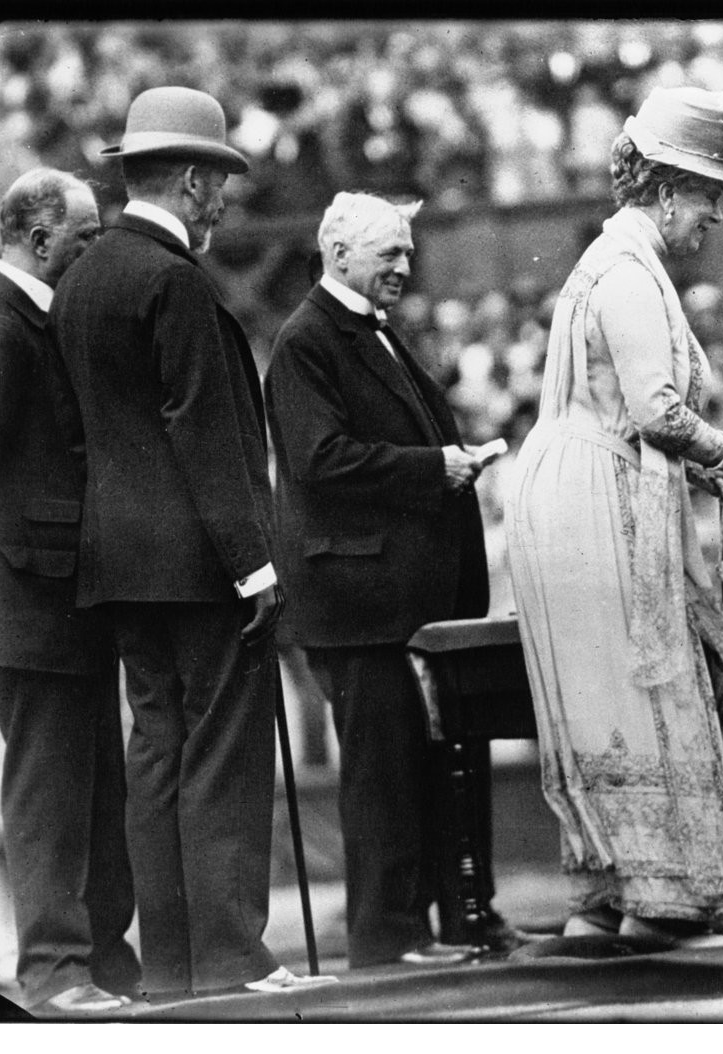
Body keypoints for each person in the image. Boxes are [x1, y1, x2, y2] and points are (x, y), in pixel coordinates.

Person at [48, 86, 329, 996]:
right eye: (218, 185)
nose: (224, 204)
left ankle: (171, 963)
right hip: (200, 566)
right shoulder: (172, 279)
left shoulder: (82, 276)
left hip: (119, 563)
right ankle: (235, 956)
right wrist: (255, 564)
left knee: (158, 756)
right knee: (219, 757)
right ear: (195, 182)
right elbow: (203, 432)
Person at [504, 66, 723, 948]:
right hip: (597, 498)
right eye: (708, 197)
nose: (715, 216)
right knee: (655, 682)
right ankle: (663, 904)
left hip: (577, 491)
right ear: (667, 192)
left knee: (612, 694)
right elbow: (657, 413)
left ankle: (608, 898)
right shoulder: (627, 271)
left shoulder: (620, 261)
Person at [265, 192, 506, 967]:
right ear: (338, 255)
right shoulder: (309, 341)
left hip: (398, 601)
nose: (405, 265)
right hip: (361, 606)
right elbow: (320, 461)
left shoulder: (371, 333)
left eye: (407, 252)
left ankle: (455, 923)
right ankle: (387, 938)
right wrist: (436, 467)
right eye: (389, 254)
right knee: (383, 781)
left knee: (422, 771)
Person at [0, 169, 140, 1015]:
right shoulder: (0, 325)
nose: (92, 250)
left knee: (96, 789)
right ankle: (53, 972)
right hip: (28, 605)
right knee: (47, 798)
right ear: (41, 241)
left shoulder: (37, 319)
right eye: (82, 237)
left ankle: (103, 962)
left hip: (66, 603)